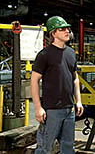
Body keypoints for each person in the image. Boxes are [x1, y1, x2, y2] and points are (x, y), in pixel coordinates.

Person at [31, 16, 84, 154]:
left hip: (69, 108)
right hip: (52, 110)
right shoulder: (44, 55)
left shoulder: (71, 53)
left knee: (68, 147)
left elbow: (75, 78)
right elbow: (34, 81)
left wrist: (78, 101)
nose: (67, 31)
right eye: (62, 29)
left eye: (67, 28)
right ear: (53, 33)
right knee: (44, 148)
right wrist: (38, 108)